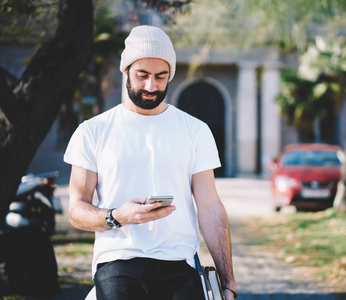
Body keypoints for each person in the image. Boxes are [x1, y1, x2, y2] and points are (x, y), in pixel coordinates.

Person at [64, 25, 237, 300]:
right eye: (142, 75)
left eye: (161, 76)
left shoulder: (195, 130)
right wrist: (117, 216)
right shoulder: (92, 131)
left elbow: (209, 206)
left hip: (180, 262)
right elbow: (76, 209)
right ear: (126, 71)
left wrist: (227, 282)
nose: (150, 86)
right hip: (118, 261)